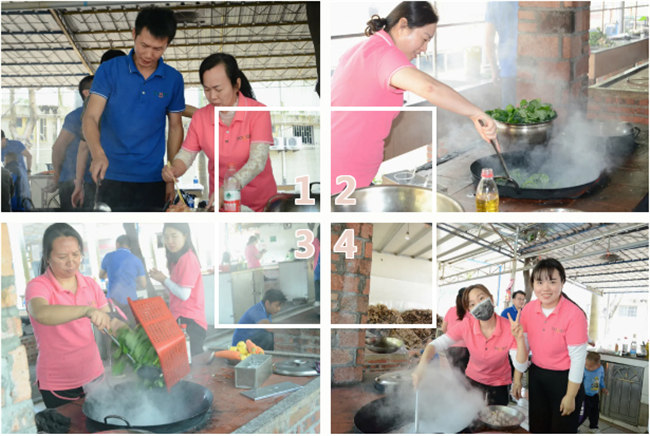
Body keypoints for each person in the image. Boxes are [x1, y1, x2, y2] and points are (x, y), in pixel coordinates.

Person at [331, 1, 498, 193]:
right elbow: (429, 87)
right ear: (403, 26)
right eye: (425, 39)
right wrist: (476, 113)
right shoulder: (384, 54)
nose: (424, 49)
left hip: (345, 171)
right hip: (345, 179)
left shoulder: (366, 48)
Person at [82, 6, 185, 211]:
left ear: (167, 44)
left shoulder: (173, 79)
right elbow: (90, 117)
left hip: (152, 178)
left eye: (158, 49)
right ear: (134, 34)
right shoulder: (109, 70)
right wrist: (98, 153)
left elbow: (175, 128)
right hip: (110, 175)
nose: (148, 54)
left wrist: (170, 177)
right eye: (143, 45)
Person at [25, 223, 122, 408]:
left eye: (76, 255)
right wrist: (86, 310)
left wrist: (135, 334)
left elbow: (109, 321)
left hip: (94, 375)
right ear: (47, 257)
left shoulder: (90, 284)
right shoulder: (38, 286)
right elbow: (41, 313)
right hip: (58, 384)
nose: (71, 262)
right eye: (62, 257)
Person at [164, 53, 276, 212]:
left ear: (236, 84)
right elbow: (186, 155)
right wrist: (174, 170)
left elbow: (257, 162)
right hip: (221, 206)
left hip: (261, 207)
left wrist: (228, 188)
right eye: (207, 90)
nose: (212, 96)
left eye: (218, 89)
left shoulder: (258, 112)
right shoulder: (200, 117)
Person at [412, 284, 528, 406]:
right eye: (472, 304)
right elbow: (436, 344)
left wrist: (519, 339)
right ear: (470, 311)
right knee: (471, 417)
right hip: (474, 378)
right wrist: (422, 366)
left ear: (492, 299)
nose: (478, 305)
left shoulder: (509, 327)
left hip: (499, 382)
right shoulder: (467, 325)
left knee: (496, 417)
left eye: (481, 298)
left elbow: (521, 366)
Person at [516, 258, 588, 433]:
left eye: (552, 281)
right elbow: (523, 347)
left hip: (565, 380)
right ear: (533, 284)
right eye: (539, 282)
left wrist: (571, 395)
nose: (545, 288)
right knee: (538, 426)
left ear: (562, 283)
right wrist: (517, 378)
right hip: (537, 376)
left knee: (561, 428)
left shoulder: (574, 314)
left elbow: (578, 360)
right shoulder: (528, 310)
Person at [149, 223, 206, 356]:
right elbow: (176, 289)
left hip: (191, 322)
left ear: (185, 236)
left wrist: (163, 279)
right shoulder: (177, 259)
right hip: (182, 318)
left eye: (174, 236)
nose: (169, 241)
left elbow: (184, 294)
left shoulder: (188, 258)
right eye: (166, 237)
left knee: (193, 366)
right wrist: (162, 279)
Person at [50, 75, 95, 211]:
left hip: (93, 180)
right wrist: (57, 175)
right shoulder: (77, 116)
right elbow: (58, 147)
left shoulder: (104, 114)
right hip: (74, 182)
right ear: (86, 93)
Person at [99, 234, 146, 323]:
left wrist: (111, 272)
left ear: (117, 244)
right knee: (132, 331)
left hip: (113, 302)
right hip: (131, 302)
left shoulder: (108, 256)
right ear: (130, 247)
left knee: (115, 330)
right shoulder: (136, 260)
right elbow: (143, 284)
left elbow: (101, 275)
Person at [485, 1, 519, 107]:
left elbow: (488, 41)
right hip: (534, 68)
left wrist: (494, 69)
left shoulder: (494, 3)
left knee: (510, 116)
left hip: (508, 69)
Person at [441, 287, 470, 374]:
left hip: (451, 347)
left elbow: (443, 328)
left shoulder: (451, 310)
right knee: (466, 375)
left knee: (457, 373)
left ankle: (457, 387)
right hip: (467, 348)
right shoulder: (471, 312)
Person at [1, 130, 33, 207]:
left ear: (3, 139)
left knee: (23, 197)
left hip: (21, 175)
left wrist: (28, 171)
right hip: (9, 176)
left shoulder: (16, 144)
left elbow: (29, 156)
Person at [579, 351, 608, 431]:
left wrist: (603, 387)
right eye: (586, 365)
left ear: (598, 365)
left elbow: (601, 379)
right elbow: (579, 382)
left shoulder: (600, 369)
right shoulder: (584, 370)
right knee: (583, 413)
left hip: (595, 395)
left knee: (595, 413)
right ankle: (575, 427)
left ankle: (593, 427)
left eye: (590, 366)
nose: (588, 367)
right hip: (584, 396)